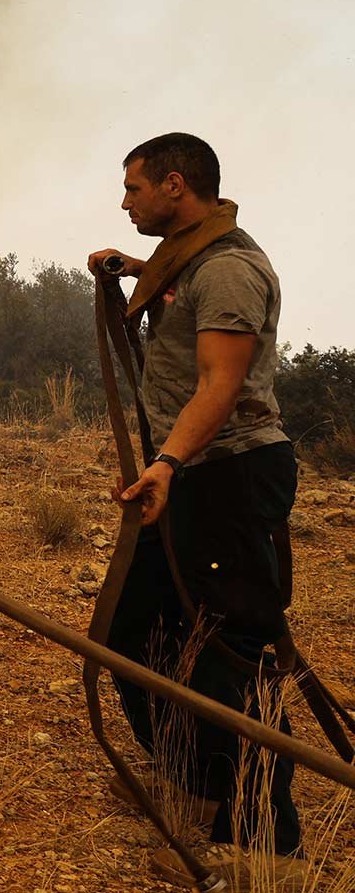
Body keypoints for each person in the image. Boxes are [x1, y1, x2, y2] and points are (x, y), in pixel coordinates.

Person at [89, 133, 306, 886]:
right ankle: (190, 776)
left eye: (135, 188)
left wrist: (167, 462)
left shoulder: (232, 270)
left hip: (229, 475)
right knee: (133, 629)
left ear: (176, 185)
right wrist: (132, 267)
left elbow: (219, 384)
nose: (126, 201)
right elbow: (183, 289)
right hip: (188, 474)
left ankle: (265, 844)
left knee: (232, 655)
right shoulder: (188, 259)